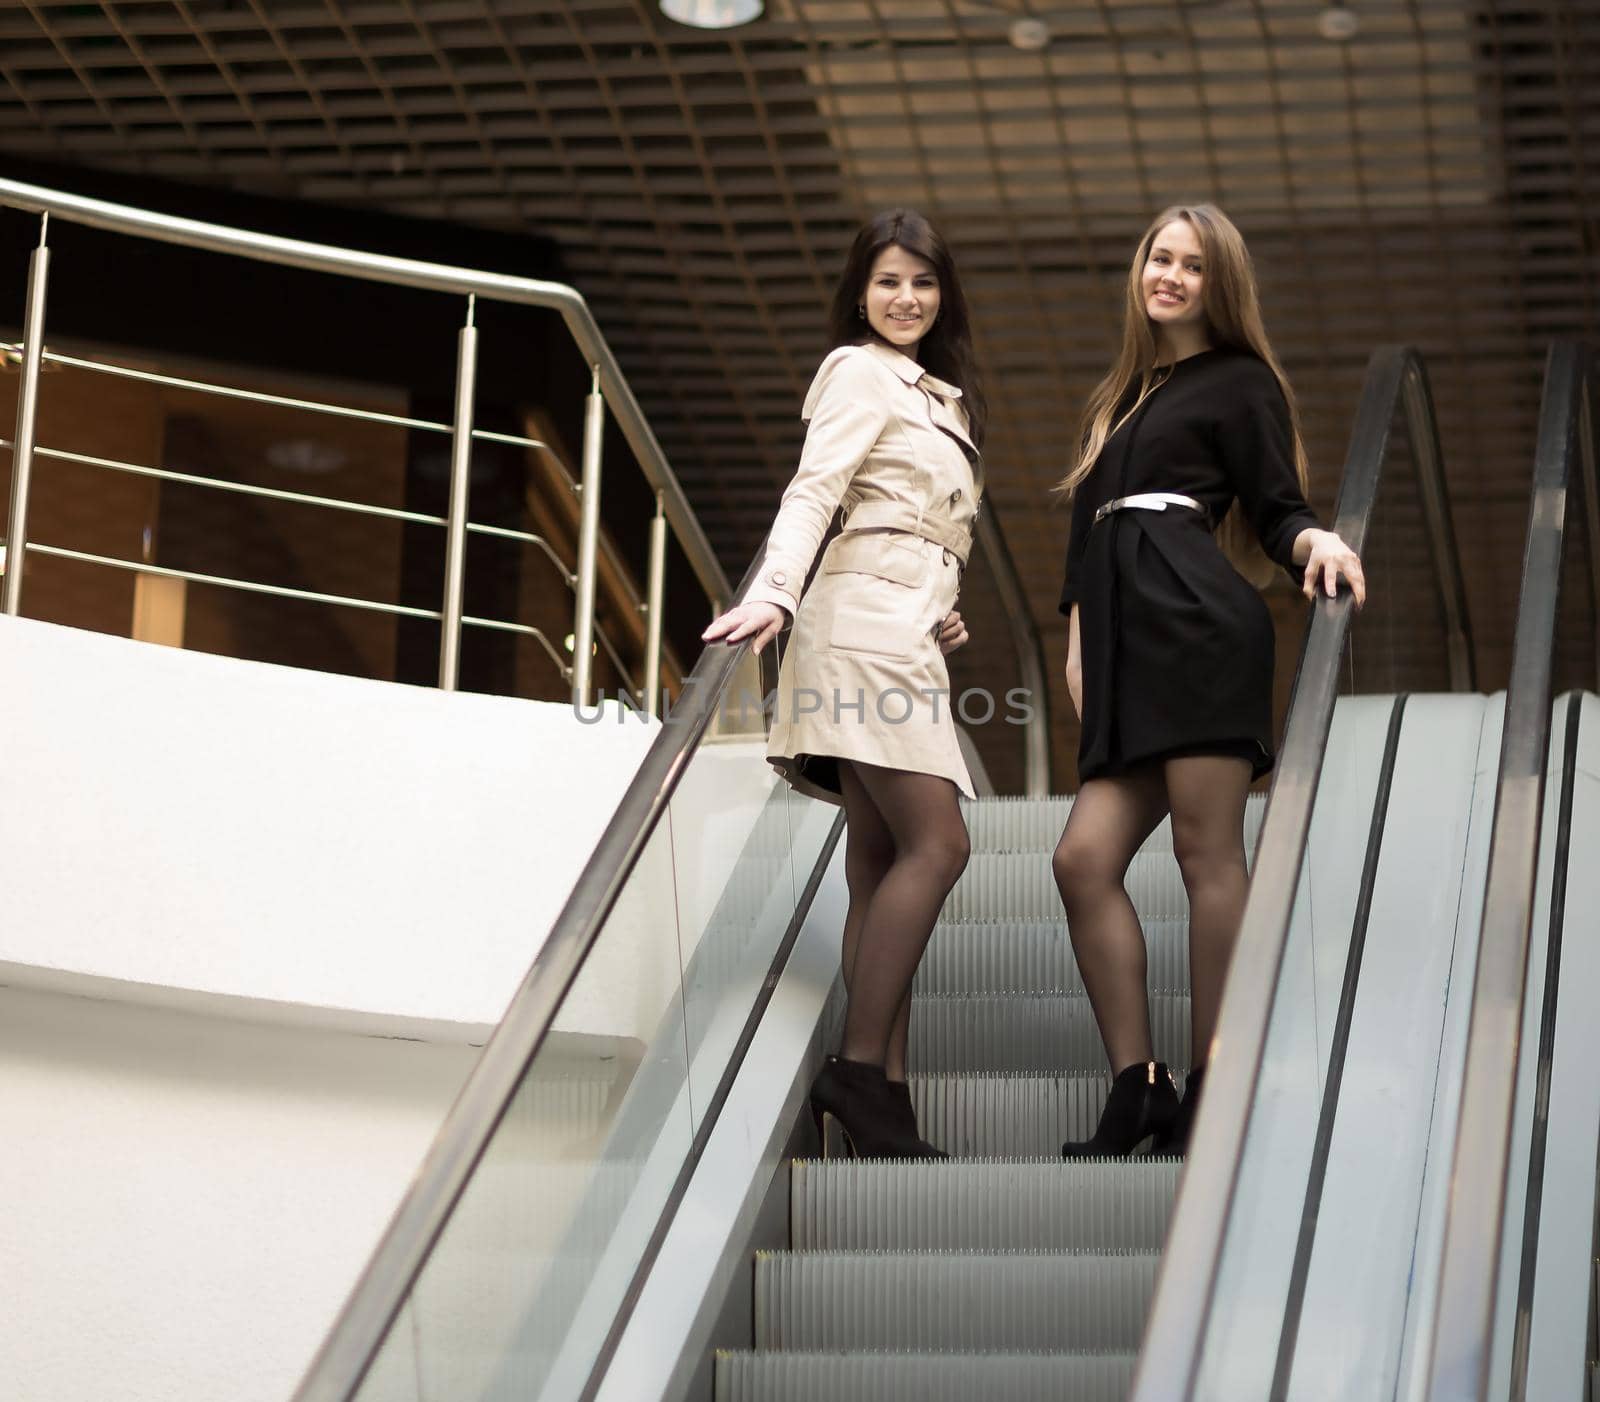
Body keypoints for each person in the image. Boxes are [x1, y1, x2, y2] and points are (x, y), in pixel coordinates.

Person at [1053, 204, 1365, 1158]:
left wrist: (1316, 539)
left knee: (1206, 856)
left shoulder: (1240, 381)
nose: (1171, 275)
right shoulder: (1122, 395)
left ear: (1217, 284)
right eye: (1159, 257)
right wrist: (1077, 647)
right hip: (1120, 644)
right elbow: (1083, 551)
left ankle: (1215, 1085)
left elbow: (1278, 508)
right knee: (1080, 861)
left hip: (1197, 631)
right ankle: (1138, 1084)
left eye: (1192, 265)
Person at [702, 209, 986, 1160]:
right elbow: (814, 491)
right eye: (888, 282)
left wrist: (946, 598)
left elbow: (914, 521)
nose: (905, 299)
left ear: (943, 295)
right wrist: (773, 594)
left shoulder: (943, 396)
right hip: (859, 626)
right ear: (859, 293)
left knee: (879, 861)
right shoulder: (859, 371)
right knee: (938, 843)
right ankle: (859, 1073)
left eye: (923, 283)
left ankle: (882, 1102)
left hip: (900, 623)